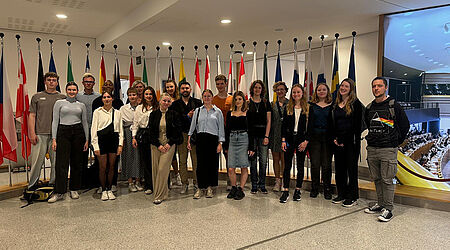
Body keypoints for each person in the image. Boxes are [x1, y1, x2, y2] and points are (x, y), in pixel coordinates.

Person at [364, 77, 409, 222]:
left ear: (386, 88)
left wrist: (396, 142)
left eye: (379, 86)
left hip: (388, 149)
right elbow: (368, 124)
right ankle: (381, 203)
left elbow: (405, 125)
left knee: (387, 180)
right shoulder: (369, 108)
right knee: (376, 179)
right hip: (372, 149)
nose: (376, 88)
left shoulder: (394, 106)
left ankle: (388, 208)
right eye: (374, 86)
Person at [48, 82, 89, 203]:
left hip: (78, 132)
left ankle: (74, 189)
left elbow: (85, 122)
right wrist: (54, 139)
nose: (72, 92)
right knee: (61, 163)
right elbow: (55, 121)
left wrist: (86, 139)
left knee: (77, 162)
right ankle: (60, 191)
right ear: (66, 91)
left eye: (74, 90)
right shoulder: (59, 103)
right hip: (63, 132)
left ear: (77, 91)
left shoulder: (81, 105)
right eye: (69, 89)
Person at [28, 72, 66, 189]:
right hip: (40, 134)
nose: (51, 82)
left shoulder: (62, 98)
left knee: (56, 162)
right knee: (36, 163)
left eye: (54, 80)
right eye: (49, 80)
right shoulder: (37, 97)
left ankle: (53, 184)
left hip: (57, 136)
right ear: (45, 82)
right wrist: (32, 133)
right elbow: (32, 116)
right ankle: (32, 185)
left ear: (57, 82)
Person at [330, 78, 364, 207]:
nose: (343, 88)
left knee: (351, 170)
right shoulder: (336, 103)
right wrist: (335, 138)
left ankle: (352, 196)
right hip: (337, 142)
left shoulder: (356, 104)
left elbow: (356, 127)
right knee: (340, 169)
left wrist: (343, 140)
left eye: (346, 86)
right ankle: (341, 193)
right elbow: (333, 122)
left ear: (351, 89)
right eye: (342, 86)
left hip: (351, 142)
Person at [188, 89, 225, 199]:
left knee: (211, 164)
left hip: (213, 140)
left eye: (209, 96)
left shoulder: (217, 112)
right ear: (202, 98)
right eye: (205, 96)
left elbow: (221, 129)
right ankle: (200, 188)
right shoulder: (198, 111)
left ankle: (209, 187)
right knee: (200, 165)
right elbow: (193, 126)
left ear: (212, 97)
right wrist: (189, 139)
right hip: (201, 139)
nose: (207, 98)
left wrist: (220, 143)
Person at [148, 93, 182, 204]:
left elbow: (177, 132)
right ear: (160, 101)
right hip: (156, 145)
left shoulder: (174, 114)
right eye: (164, 101)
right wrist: (158, 145)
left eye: (168, 101)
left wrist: (169, 144)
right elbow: (151, 132)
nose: (166, 103)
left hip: (169, 145)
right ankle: (162, 191)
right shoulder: (153, 114)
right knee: (156, 170)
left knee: (163, 169)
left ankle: (159, 195)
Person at [92, 79, 124, 193]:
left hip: (113, 141)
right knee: (102, 167)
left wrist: (120, 145)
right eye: (104, 97)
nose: (107, 99)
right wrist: (95, 146)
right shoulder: (97, 112)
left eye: (108, 97)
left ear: (112, 99)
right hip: (101, 141)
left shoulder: (118, 112)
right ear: (102, 99)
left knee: (112, 166)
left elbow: (120, 131)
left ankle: (110, 189)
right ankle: (103, 188)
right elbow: (93, 129)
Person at [170, 82, 202, 194]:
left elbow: (201, 118)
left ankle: (197, 182)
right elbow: (175, 120)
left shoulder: (197, 102)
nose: (185, 90)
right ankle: (184, 183)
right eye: (183, 88)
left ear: (190, 89)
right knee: (182, 160)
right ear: (180, 90)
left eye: (187, 88)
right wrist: (187, 117)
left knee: (195, 160)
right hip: (182, 135)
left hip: (194, 134)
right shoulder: (175, 104)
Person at [279, 84, 308, 203]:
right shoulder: (288, 107)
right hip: (290, 140)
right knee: (287, 166)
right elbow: (284, 126)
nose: (296, 94)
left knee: (300, 166)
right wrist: (283, 140)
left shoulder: (308, 108)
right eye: (294, 92)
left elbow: (310, 127)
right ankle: (285, 190)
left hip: (302, 140)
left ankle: (297, 190)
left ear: (302, 93)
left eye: (298, 92)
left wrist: (306, 141)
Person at [224, 91, 254, 200]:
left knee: (243, 165)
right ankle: (233, 187)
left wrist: (251, 147)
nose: (237, 101)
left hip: (243, 139)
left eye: (240, 99)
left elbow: (251, 131)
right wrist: (226, 146)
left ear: (243, 100)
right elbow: (227, 130)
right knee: (231, 167)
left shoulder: (248, 113)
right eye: (236, 99)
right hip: (232, 139)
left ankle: (241, 189)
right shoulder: (229, 113)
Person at [307, 83, 333, 199]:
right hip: (315, 138)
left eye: (323, 90)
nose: (321, 91)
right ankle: (315, 188)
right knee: (315, 164)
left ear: (327, 91)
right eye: (319, 90)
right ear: (316, 92)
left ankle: (327, 188)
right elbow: (309, 124)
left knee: (326, 165)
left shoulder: (332, 106)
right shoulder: (311, 106)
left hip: (328, 138)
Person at [132, 86, 158, 194]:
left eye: (150, 94)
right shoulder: (139, 108)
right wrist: (133, 137)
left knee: (156, 161)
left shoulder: (157, 107)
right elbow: (135, 123)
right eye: (146, 94)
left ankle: (159, 185)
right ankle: (149, 186)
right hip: (143, 136)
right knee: (146, 162)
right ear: (143, 95)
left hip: (155, 135)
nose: (148, 96)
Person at [76, 73, 101, 189]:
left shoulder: (99, 96)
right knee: (82, 157)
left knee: (98, 156)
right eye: (86, 82)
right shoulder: (77, 96)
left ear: (94, 84)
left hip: (96, 129)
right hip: (82, 130)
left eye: (90, 82)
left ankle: (96, 181)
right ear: (83, 83)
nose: (88, 84)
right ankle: (82, 182)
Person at [247, 80, 272, 194]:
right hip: (251, 136)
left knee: (263, 161)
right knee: (252, 161)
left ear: (262, 90)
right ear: (252, 89)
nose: (257, 89)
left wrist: (267, 136)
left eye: (259, 88)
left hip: (263, 135)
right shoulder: (247, 103)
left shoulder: (266, 103)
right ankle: (254, 185)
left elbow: (269, 121)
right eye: (255, 87)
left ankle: (262, 184)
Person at [212, 74, 233, 190]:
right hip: (215, 132)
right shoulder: (213, 99)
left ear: (226, 84)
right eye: (218, 84)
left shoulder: (231, 99)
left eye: (222, 83)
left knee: (228, 156)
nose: (220, 86)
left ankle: (230, 181)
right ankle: (214, 182)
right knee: (215, 157)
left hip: (228, 132)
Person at [120, 87, 143, 192]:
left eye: (134, 95)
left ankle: (138, 180)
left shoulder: (141, 107)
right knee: (129, 156)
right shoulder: (123, 108)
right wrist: (122, 138)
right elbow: (121, 124)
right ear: (128, 96)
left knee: (138, 156)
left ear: (137, 96)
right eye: (130, 95)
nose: (132, 97)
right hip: (127, 133)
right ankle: (130, 181)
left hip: (138, 132)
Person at [269, 81, 289, 192]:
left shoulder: (290, 104)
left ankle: (284, 180)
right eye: (278, 90)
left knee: (284, 159)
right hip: (275, 134)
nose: (280, 91)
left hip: (285, 134)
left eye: (282, 89)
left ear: (286, 91)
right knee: (276, 159)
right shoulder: (272, 104)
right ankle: (277, 181)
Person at [164, 80, 181, 186]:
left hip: (176, 129)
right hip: (165, 130)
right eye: (167, 87)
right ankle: (168, 177)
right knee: (167, 154)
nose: (169, 89)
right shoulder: (163, 99)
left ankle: (176, 174)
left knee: (174, 155)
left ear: (175, 87)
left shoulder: (179, 100)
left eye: (171, 87)